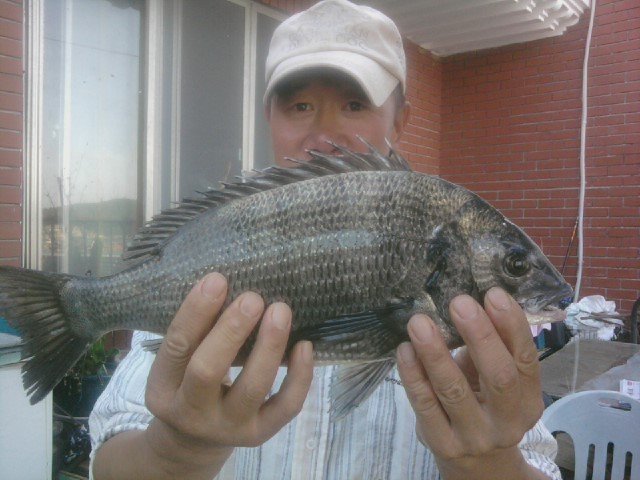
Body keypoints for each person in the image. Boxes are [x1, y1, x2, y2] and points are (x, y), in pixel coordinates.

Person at [89, 1, 561, 479]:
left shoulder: (480, 341)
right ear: (269, 116)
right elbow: (109, 460)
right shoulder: (201, 267)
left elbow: (540, 464)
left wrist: (491, 463)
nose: (323, 135)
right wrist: (176, 451)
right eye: (300, 106)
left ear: (400, 121)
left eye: (355, 105)